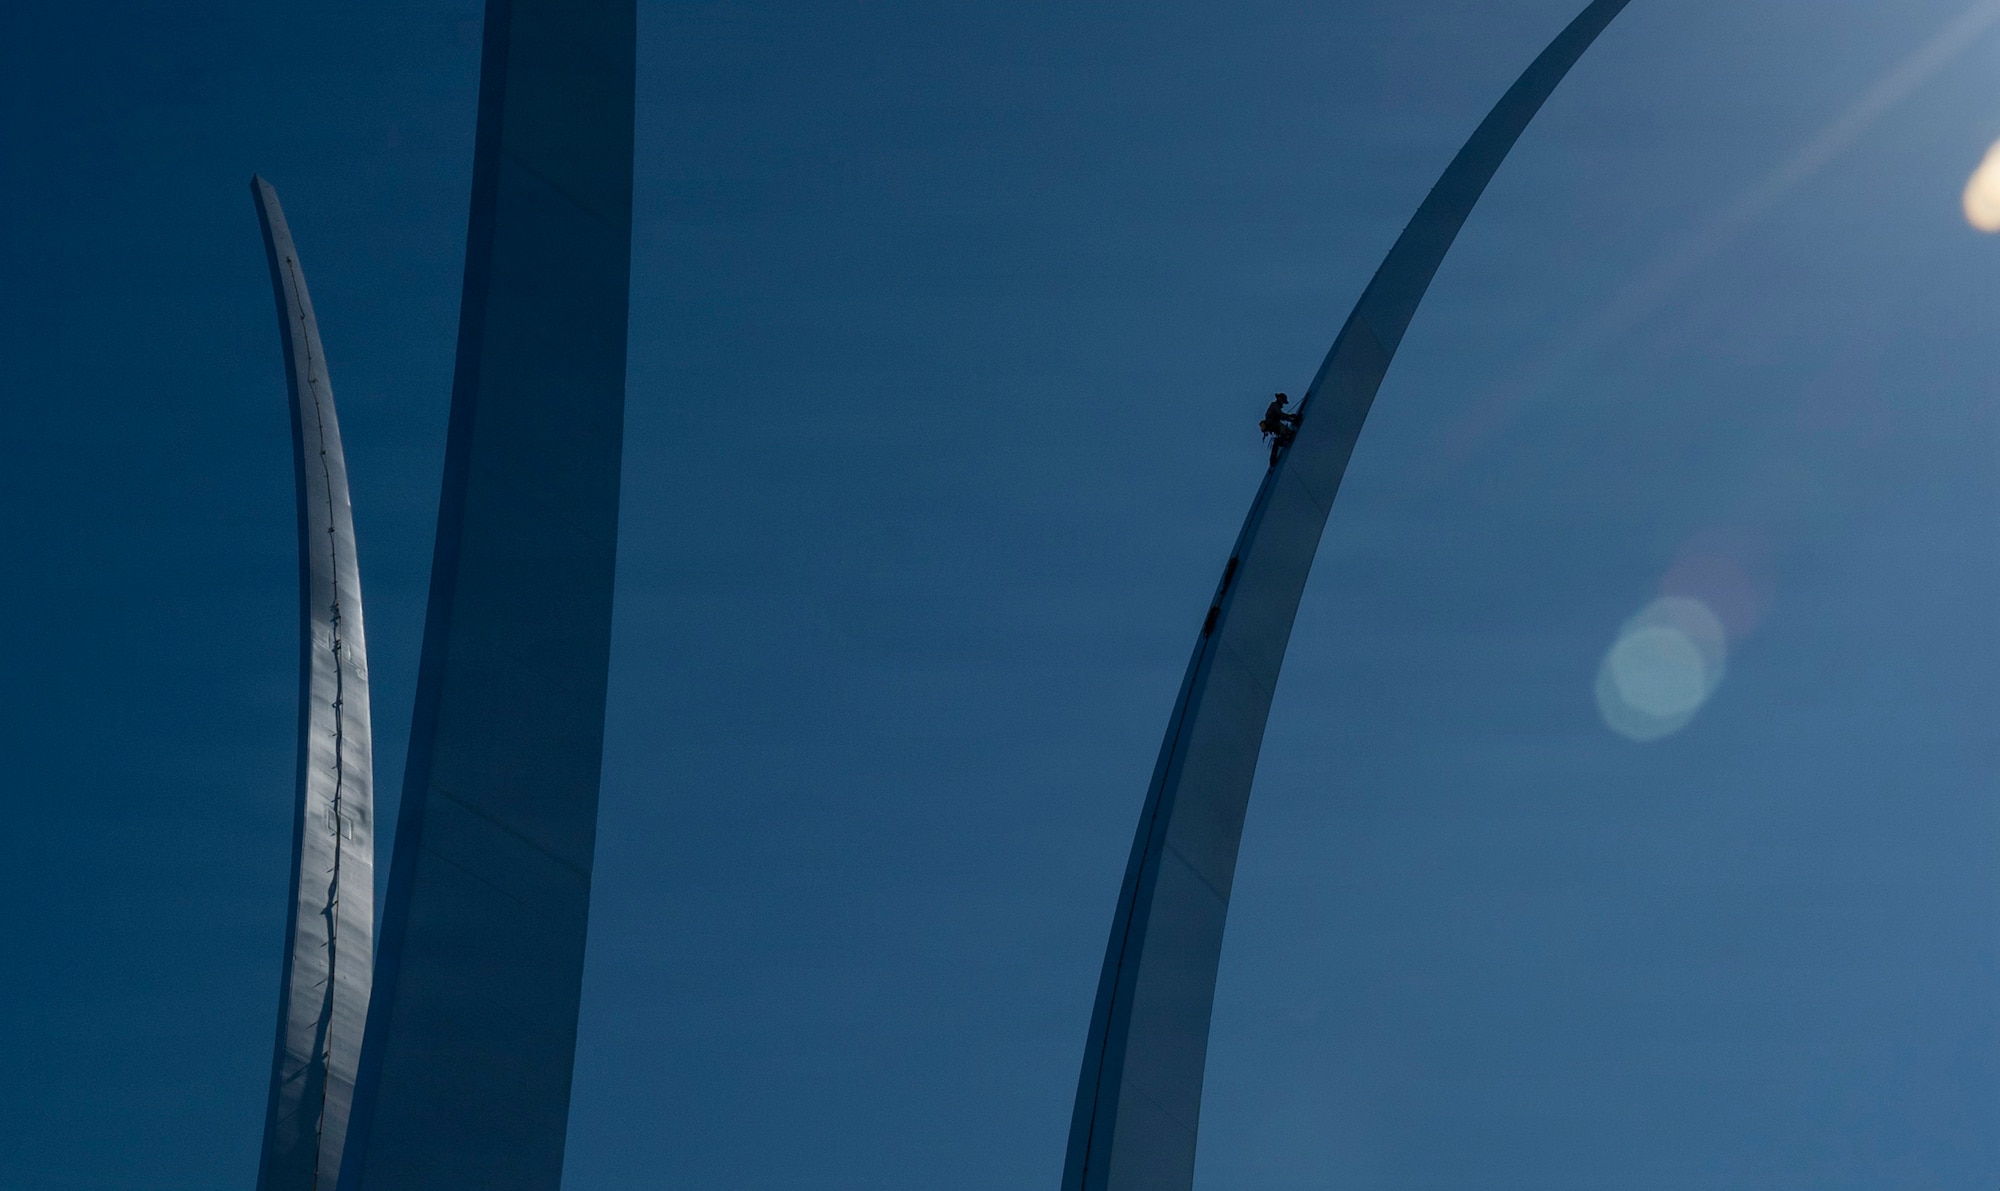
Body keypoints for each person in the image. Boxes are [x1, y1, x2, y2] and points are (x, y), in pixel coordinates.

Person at [1259, 392, 1302, 465]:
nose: (1283, 404)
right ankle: (1281, 442)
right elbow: (1281, 415)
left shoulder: (1274, 405)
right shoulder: (1275, 405)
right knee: (1286, 432)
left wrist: (1291, 417)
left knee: (1283, 435)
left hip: (1273, 425)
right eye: (1283, 401)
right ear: (1279, 399)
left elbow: (1281, 416)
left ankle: (1274, 456)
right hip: (1273, 424)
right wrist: (1292, 418)